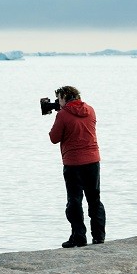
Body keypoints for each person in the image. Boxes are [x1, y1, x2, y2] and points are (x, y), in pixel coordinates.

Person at [48, 85, 106, 248]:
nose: (57, 102)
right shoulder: (91, 110)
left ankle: (79, 237)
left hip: (73, 163)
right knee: (94, 200)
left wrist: (60, 114)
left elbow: (54, 138)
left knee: (74, 201)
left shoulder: (63, 115)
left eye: (59, 99)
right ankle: (99, 237)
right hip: (93, 161)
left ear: (65, 97)